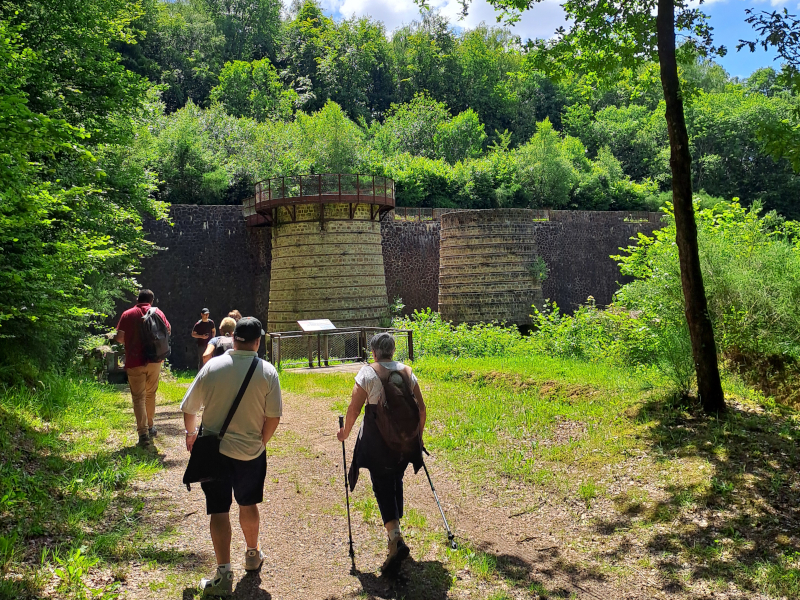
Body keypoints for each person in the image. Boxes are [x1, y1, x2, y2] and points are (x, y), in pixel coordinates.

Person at [181, 317, 282, 597]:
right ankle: (252, 554)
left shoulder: (213, 366)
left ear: (233, 338)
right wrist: (261, 442)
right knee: (248, 504)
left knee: (218, 509)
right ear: (258, 342)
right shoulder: (267, 371)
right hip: (251, 451)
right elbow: (273, 417)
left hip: (214, 451)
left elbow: (188, 407)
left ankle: (223, 574)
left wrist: (191, 434)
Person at [337, 332, 427, 573]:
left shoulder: (367, 372)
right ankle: (396, 532)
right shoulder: (407, 372)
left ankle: (395, 538)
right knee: (395, 478)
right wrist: (416, 437)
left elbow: (355, 409)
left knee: (382, 483)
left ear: (373, 352)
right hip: (404, 442)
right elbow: (421, 409)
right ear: (393, 350)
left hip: (377, 442)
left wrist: (345, 432)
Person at [114, 289, 171, 448]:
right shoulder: (158, 312)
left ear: (137, 298)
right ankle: (151, 425)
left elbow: (119, 338)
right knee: (150, 394)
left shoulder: (127, 314)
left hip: (135, 361)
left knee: (138, 397)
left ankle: (143, 433)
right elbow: (168, 331)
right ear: (151, 300)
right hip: (154, 360)